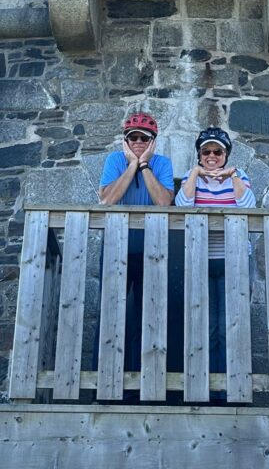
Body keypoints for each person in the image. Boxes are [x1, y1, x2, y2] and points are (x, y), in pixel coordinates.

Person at [175, 128, 256, 377]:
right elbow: (182, 206)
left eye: (218, 151)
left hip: (235, 258)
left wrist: (232, 178)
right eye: (206, 151)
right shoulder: (193, 176)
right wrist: (196, 174)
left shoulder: (239, 175)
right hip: (202, 257)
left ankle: (232, 387)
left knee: (230, 325)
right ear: (199, 155)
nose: (212, 156)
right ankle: (208, 388)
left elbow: (247, 206)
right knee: (206, 326)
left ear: (226, 154)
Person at [98, 112, 174, 372]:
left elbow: (164, 202)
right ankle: (107, 381)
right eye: (134, 138)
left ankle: (140, 379)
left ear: (153, 142)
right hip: (116, 248)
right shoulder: (114, 160)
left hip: (151, 250)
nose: (139, 142)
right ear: (125, 141)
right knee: (112, 314)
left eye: (145, 138)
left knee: (147, 316)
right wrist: (131, 165)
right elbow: (107, 199)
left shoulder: (162, 164)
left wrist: (144, 166)